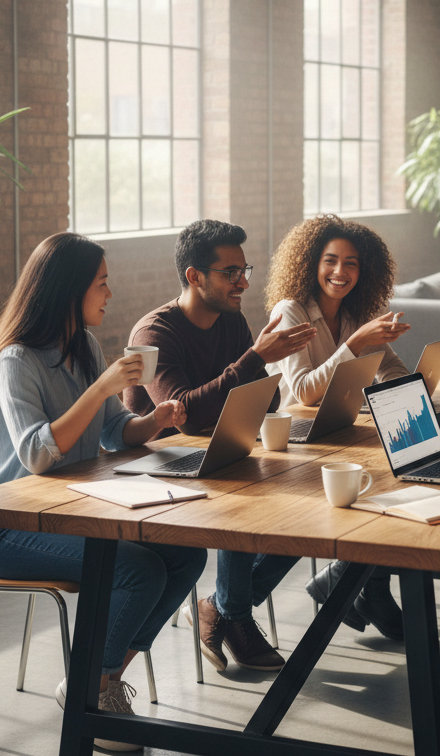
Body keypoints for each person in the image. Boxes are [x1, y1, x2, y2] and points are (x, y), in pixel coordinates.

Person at [0, 232, 207, 752]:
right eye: (101, 284)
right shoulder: (16, 360)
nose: (109, 294)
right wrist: (101, 386)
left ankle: (94, 682)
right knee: (136, 569)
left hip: (74, 511)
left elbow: (114, 430)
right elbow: (36, 455)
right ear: (69, 291)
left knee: (187, 554)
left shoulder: (84, 347)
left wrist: (156, 420)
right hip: (9, 526)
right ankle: (92, 692)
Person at [125, 219, 317, 673]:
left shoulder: (231, 321)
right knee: (245, 495)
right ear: (194, 276)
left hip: (214, 454)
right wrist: (254, 360)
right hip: (152, 467)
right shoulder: (154, 334)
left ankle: (223, 608)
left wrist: (263, 372)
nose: (243, 282)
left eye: (244, 270)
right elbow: (186, 414)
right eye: (231, 273)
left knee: (306, 514)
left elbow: (260, 397)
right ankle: (232, 615)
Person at [263, 214, 411, 639]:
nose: (340, 272)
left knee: (401, 478)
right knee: (386, 485)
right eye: (331, 261)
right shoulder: (290, 312)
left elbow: (391, 369)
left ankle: (365, 586)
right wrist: (356, 343)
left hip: (340, 436)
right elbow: (305, 392)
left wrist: (412, 386)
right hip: (294, 446)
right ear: (311, 263)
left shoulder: (354, 314)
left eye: (352, 264)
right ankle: (357, 584)